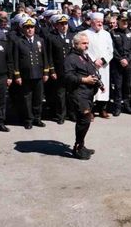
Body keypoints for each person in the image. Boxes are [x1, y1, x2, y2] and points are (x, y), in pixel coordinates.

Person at [64, 32, 100, 160]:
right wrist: (84, 80)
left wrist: (99, 83)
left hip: (88, 93)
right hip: (78, 93)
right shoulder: (70, 58)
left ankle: (81, 144)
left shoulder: (84, 56)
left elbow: (92, 70)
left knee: (85, 120)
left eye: (87, 43)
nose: (86, 46)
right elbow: (68, 76)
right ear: (76, 44)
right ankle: (78, 147)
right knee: (84, 118)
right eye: (84, 43)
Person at [12, 17, 50, 130]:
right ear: (23, 29)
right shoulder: (19, 42)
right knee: (26, 99)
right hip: (25, 75)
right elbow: (16, 60)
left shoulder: (40, 40)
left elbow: (45, 57)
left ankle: (37, 118)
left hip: (38, 74)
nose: (29, 30)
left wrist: (46, 72)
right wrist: (17, 75)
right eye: (27, 27)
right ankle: (28, 120)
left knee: (38, 98)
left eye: (31, 27)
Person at [82, 12, 113, 118]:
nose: (100, 24)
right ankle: (90, 111)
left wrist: (103, 60)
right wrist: (94, 61)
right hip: (91, 65)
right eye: (98, 21)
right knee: (92, 88)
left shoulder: (106, 34)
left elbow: (110, 51)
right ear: (92, 22)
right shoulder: (85, 33)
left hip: (104, 66)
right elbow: (84, 50)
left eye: (101, 21)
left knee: (104, 87)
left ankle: (102, 109)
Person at [46, 14, 75, 124]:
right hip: (58, 70)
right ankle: (61, 115)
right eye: (61, 24)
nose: (64, 26)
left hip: (71, 70)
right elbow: (49, 56)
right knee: (60, 94)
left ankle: (72, 113)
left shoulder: (72, 36)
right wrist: (52, 70)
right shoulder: (51, 37)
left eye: (65, 24)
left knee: (71, 93)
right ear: (56, 25)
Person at [110, 15, 131, 116]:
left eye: (126, 21)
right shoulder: (113, 33)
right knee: (118, 86)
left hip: (129, 64)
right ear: (118, 22)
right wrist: (120, 59)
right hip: (117, 64)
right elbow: (112, 48)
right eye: (123, 21)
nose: (125, 23)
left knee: (127, 86)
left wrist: (127, 59)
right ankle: (117, 107)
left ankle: (126, 105)